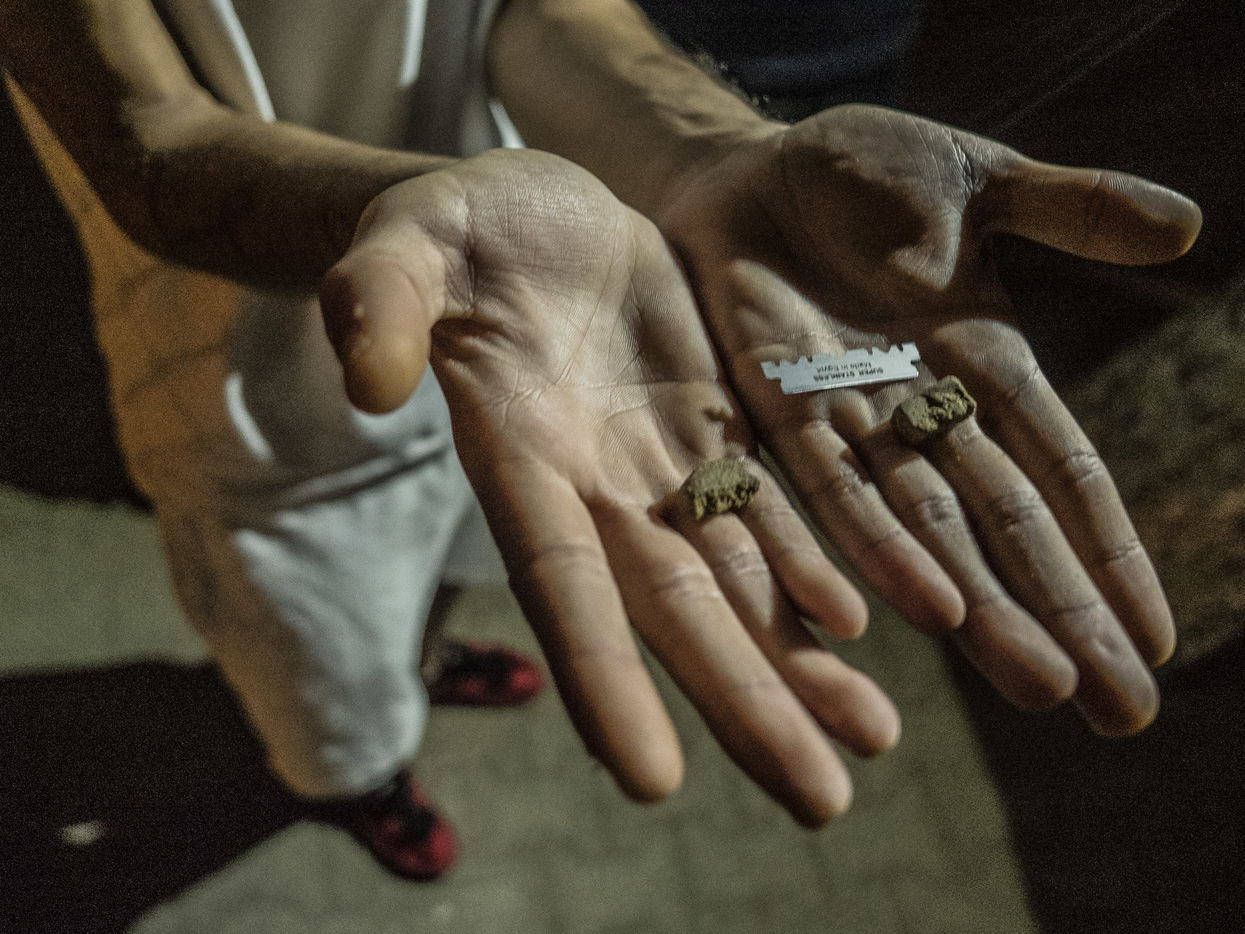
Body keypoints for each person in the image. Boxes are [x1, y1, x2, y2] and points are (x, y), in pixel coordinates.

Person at [0, 0, 1199, 880]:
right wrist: (417, 220)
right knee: (323, 660)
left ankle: (425, 665)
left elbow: (534, 13)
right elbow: (146, 139)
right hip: (268, 403)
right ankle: (359, 777)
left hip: (545, 370)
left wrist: (707, 147)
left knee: (468, 561)